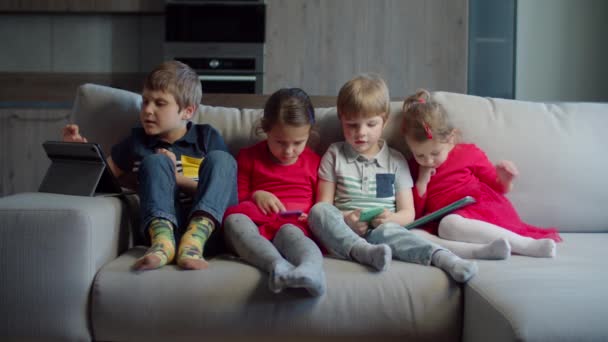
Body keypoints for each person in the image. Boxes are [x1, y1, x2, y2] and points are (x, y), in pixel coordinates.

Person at [63, 60, 237, 271]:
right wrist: (81, 156)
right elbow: (101, 181)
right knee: (156, 161)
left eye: (160, 103)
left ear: (187, 111)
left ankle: (193, 241)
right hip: (159, 229)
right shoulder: (137, 142)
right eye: (145, 102)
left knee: (223, 160)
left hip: (207, 231)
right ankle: (163, 244)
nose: (148, 110)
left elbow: (224, 192)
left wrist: (176, 178)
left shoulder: (207, 137)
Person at [308, 74, 477, 283]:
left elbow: (409, 213)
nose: (361, 133)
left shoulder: (396, 161)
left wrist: (391, 219)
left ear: (384, 120)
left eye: (370, 124)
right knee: (317, 212)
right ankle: (361, 251)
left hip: (382, 231)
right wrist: (347, 220)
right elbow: (324, 205)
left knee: (397, 232)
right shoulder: (334, 154)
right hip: (343, 231)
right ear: (341, 118)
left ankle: (444, 259)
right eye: (352, 125)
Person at [401, 89, 561, 259]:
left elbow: (498, 187)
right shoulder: (412, 167)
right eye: (420, 155)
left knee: (449, 224)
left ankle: (527, 245)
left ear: (451, 138)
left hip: (480, 209)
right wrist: (421, 182)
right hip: (442, 223)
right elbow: (415, 214)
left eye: (435, 153)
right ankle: (483, 251)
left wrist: (505, 179)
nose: (428, 161)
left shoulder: (468, 153)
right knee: (414, 235)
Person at [222, 88, 326, 296]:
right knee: (233, 220)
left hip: (294, 225)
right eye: (280, 142)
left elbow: (322, 203)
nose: (288, 151)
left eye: (298, 143)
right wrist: (256, 194)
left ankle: (311, 271)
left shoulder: (315, 162)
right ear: (265, 128)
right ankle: (277, 266)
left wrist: (311, 215)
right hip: (256, 224)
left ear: (309, 133)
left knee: (290, 232)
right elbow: (235, 198)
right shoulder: (248, 157)